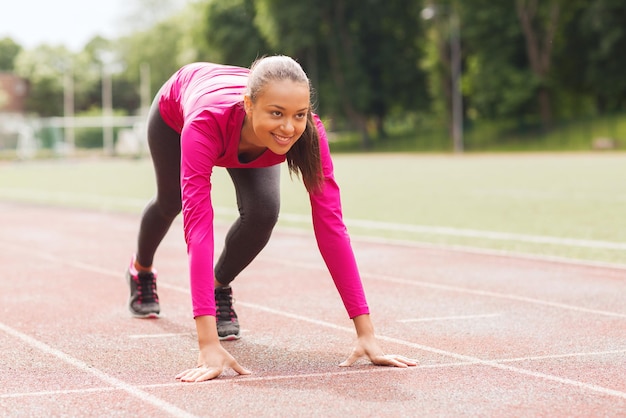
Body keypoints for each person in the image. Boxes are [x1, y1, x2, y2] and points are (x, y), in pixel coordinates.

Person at [126, 55, 417, 382]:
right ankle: (141, 271)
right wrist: (207, 344)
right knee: (171, 201)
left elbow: (331, 226)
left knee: (263, 213)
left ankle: (218, 284)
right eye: (277, 113)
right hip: (178, 112)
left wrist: (366, 334)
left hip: (246, 129)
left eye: (299, 114)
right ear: (249, 104)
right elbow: (199, 228)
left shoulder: (307, 133)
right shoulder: (205, 122)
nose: (289, 127)